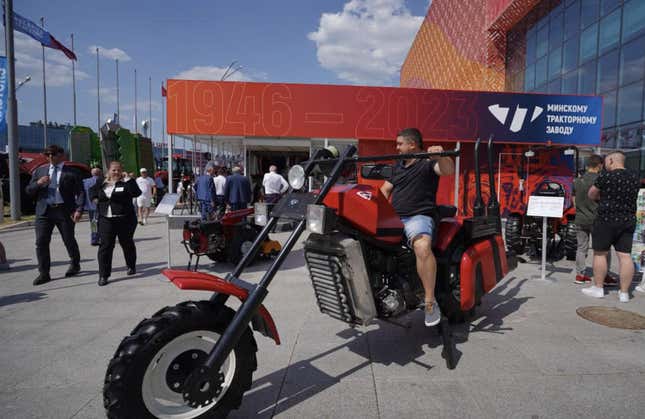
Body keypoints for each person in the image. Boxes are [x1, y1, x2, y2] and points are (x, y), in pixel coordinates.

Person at [380, 128, 455, 326]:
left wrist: (441, 156)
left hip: (418, 217)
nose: (396, 148)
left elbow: (447, 170)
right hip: (395, 219)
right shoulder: (398, 166)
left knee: (422, 246)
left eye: (399, 144)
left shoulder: (428, 163)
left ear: (412, 144)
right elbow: (385, 191)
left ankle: (430, 302)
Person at [583, 151, 640, 302]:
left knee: (600, 253)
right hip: (628, 220)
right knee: (625, 255)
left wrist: (600, 199)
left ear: (612, 160)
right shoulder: (634, 177)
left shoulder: (606, 176)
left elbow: (591, 193)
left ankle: (599, 288)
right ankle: (624, 293)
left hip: (606, 219)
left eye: (607, 160)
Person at [25, 145, 85, 286]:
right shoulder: (40, 171)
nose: (50, 157)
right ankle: (44, 273)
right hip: (44, 211)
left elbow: (80, 192)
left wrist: (79, 209)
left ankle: (75, 264)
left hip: (64, 211)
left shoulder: (72, 172)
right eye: (47, 154)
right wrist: (38, 184)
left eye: (53, 154)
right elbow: (28, 190)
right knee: (41, 242)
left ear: (61, 155)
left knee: (68, 239)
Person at [90, 161, 142, 286]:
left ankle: (131, 266)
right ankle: (103, 275)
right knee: (105, 246)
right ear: (108, 171)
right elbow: (92, 190)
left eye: (118, 170)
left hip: (124, 219)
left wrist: (128, 178)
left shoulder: (126, 183)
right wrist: (94, 199)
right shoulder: (101, 182)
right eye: (114, 170)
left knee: (127, 243)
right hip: (106, 219)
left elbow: (136, 193)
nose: (116, 172)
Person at [572, 155, 612, 285]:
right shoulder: (602, 180)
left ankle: (579, 275)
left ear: (588, 165)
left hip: (580, 218)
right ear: (600, 165)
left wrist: (580, 210)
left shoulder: (577, 181)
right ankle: (605, 275)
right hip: (598, 219)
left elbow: (573, 200)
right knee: (603, 249)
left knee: (581, 248)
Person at [83, 167, 102, 246]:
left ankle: (94, 238)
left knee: (93, 222)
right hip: (100, 205)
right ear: (100, 173)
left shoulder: (85, 182)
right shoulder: (102, 180)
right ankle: (99, 237)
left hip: (90, 205)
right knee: (101, 222)